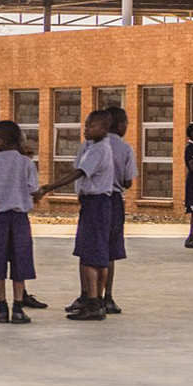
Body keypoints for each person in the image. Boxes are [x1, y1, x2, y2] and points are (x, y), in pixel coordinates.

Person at [39, 109, 114, 320]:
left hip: (95, 204)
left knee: (90, 255)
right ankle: (96, 301)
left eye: (91, 125)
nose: (86, 129)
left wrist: (49, 187)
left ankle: (93, 303)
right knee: (98, 255)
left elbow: (79, 172)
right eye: (86, 125)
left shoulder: (98, 150)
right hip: (97, 204)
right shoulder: (96, 147)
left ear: (105, 128)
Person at [0, 119, 43, 324]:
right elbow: (34, 190)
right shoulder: (26, 163)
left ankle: (2, 308)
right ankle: (18, 308)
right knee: (20, 263)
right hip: (20, 219)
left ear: (1, 141)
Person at [94, 105, 135, 316]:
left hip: (94, 201)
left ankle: (90, 296)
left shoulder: (93, 146)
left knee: (91, 250)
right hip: (114, 199)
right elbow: (128, 181)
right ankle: (107, 297)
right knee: (110, 251)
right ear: (119, 126)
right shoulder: (125, 149)